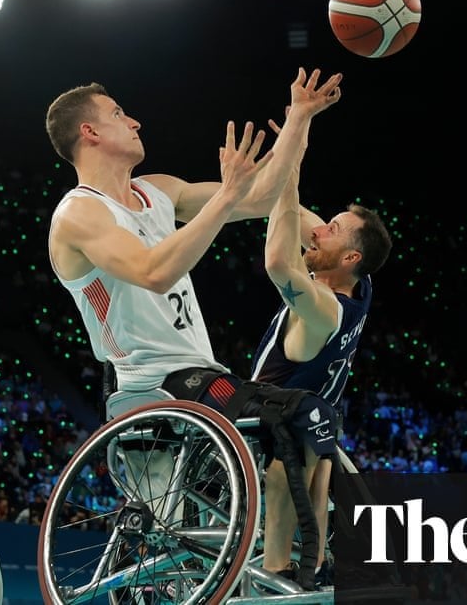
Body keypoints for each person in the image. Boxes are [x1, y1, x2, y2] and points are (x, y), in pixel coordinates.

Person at [45, 67, 342, 588]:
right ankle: (288, 570)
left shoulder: (158, 191)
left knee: (313, 423)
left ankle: (296, 560)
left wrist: (298, 118)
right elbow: (154, 273)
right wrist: (226, 197)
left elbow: (260, 197)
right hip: (150, 385)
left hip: (200, 379)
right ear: (88, 133)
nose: (134, 120)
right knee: (303, 414)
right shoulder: (79, 215)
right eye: (118, 113)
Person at [250, 108, 392, 581]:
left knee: (297, 446)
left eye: (331, 228)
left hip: (267, 419)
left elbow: (276, 263)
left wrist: (289, 165)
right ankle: (311, 563)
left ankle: (277, 566)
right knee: (316, 440)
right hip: (313, 425)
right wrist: (298, 135)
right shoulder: (361, 286)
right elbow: (296, 215)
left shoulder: (324, 307)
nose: (318, 229)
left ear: (350, 256)